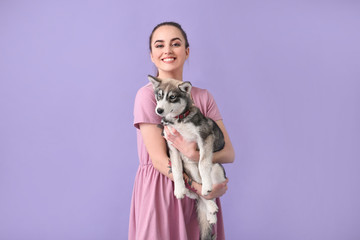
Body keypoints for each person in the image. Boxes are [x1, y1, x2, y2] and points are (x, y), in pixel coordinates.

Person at [129, 22, 235, 240]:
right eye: (159, 45)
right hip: (163, 190)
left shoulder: (203, 97)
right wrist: (198, 187)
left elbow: (228, 153)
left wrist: (196, 156)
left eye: (175, 44)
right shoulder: (147, 96)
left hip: (203, 189)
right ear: (151, 55)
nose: (167, 50)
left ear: (187, 51)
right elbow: (158, 160)